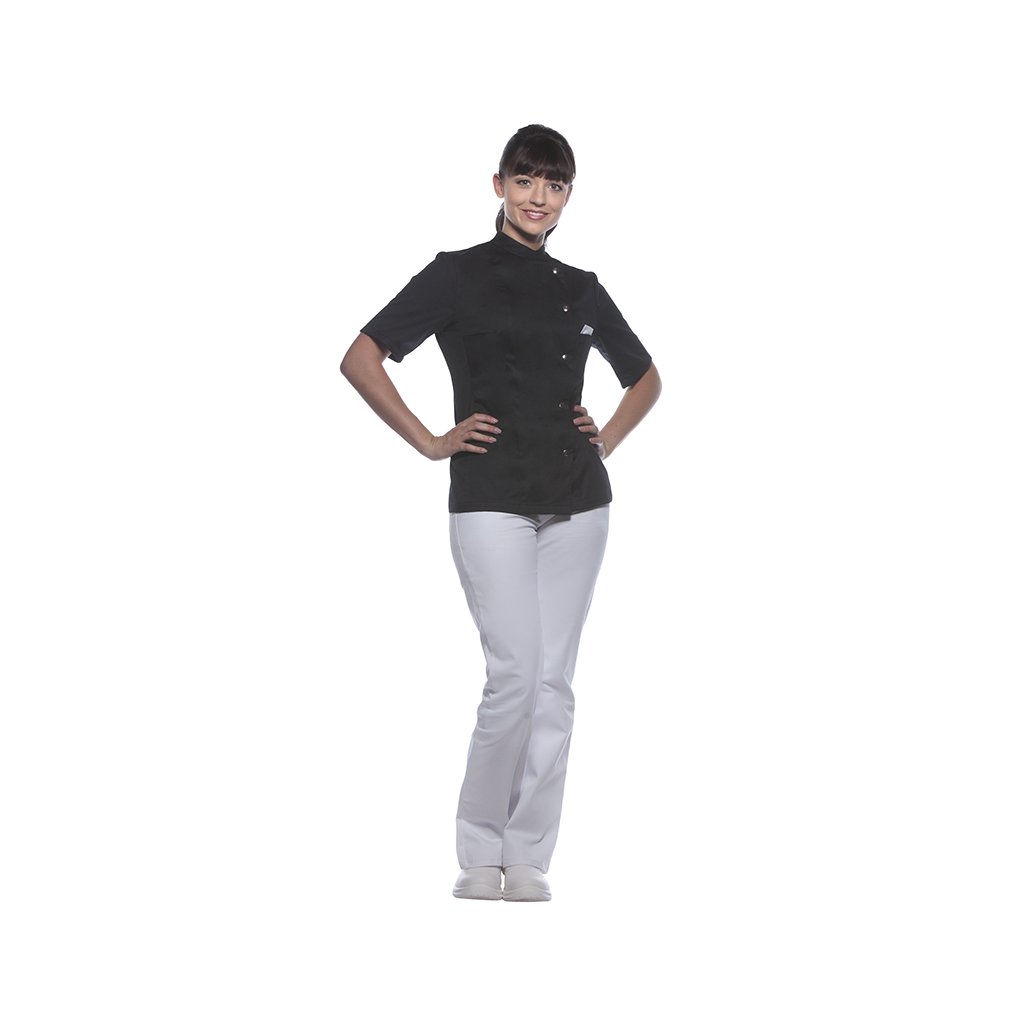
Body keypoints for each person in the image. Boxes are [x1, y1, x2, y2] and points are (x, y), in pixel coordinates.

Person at [340, 125, 662, 902]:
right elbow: (360, 357)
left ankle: (530, 854)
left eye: (554, 184)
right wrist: (430, 440)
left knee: (554, 684)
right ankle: (480, 846)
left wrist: (608, 439)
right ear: (498, 186)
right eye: (525, 180)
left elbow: (646, 377)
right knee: (515, 674)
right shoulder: (456, 275)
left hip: (579, 502)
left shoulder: (581, 286)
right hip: (490, 497)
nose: (537, 197)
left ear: (568, 196)